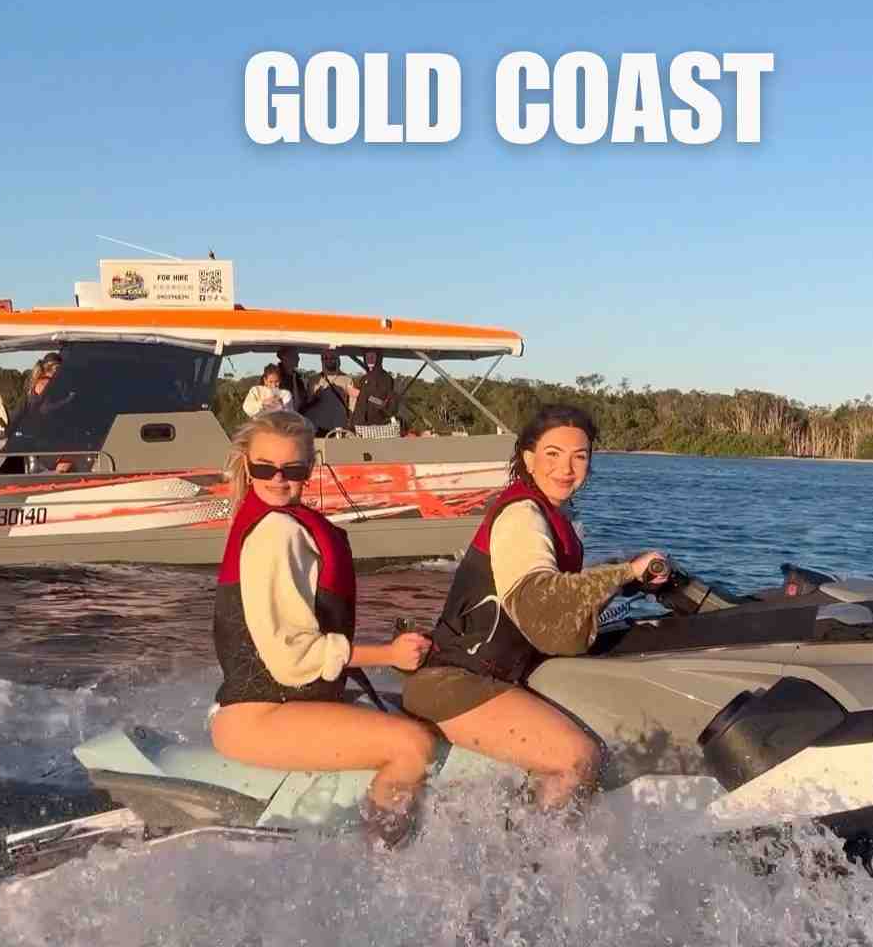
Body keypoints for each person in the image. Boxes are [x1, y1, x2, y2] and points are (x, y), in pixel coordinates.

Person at [403, 404, 669, 810]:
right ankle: (541, 853)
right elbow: (541, 600)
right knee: (575, 759)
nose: (566, 468)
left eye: (580, 456)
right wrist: (624, 572)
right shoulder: (522, 515)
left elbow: (559, 602)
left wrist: (628, 580)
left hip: (490, 678)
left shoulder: (546, 513)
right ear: (528, 459)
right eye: (553, 454)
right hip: (456, 682)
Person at [210, 410, 437, 844]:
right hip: (261, 716)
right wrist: (389, 654)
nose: (279, 479)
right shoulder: (277, 532)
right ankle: (385, 865)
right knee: (411, 745)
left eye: (293, 469)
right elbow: (293, 655)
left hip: (280, 703)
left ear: (310, 468)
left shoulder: (278, 522)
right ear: (247, 466)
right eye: (265, 468)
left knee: (413, 710)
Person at [305, 350, 356, 434]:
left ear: (338, 359)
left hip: (339, 426)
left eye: (332, 357)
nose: (329, 360)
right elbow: (308, 404)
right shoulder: (314, 380)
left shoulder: (347, 380)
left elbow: (352, 405)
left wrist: (350, 423)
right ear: (322, 360)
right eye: (325, 358)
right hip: (318, 426)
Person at [351, 350, 396, 427]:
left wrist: (361, 394)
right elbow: (360, 405)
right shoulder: (364, 378)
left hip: (378, 425)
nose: (369, 359)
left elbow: (382, 403)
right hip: (362, 425)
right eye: (367, 357)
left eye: (372, 356)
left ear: (378, 358)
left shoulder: (386, 379)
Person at [276, 347, 311, 414]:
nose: (298, 358)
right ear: (284, 357)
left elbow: (303, 402)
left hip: (298, 417)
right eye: (295, 355)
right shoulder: (274, 376)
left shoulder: (299, 377)